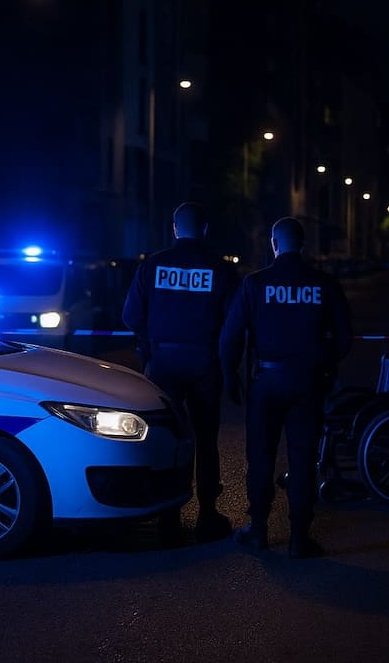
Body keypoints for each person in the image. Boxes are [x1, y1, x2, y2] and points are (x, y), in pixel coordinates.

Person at [220, 217, 352, 558]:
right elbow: (344, 339)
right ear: (303, 245)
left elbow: (231, 336)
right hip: (308, 382)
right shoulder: (324, 283)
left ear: (274, 245)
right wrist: (324, 367)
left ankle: (259, 531)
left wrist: (229, 376)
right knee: (303, 459)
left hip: (265, 382)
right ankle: (298, 538)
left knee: (260, 456)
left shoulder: (255, 284)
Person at [122, 201, 241, 542]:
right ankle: (207, 514)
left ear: (174, 228)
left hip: (163, 366)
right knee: (206, 440)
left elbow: (131, 316)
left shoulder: (153, 266)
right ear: (205, 229)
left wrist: (149, 346)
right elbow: (234, 326)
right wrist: (231, 370)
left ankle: (167, 518)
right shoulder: (220, 270)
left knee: (166, 437)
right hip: (205, 363)